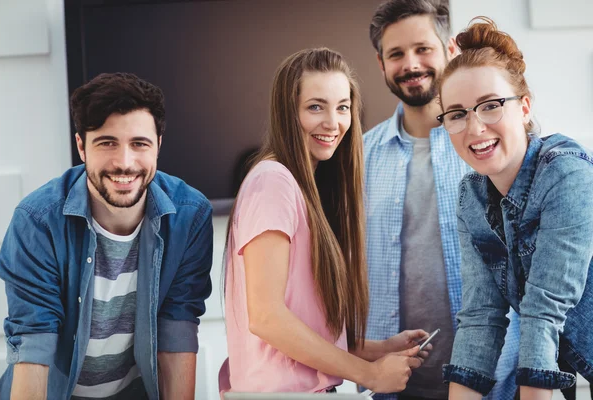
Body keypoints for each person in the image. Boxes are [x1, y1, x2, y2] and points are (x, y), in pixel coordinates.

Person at [218, 48, 432, 395]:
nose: (333, 122)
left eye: (342, 107)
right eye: (316, 106)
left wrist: (377, 349)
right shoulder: (274, 181)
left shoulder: (307, 189)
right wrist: (369, 374)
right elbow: (267, 318)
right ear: (289, 112)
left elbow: (305, 324)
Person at [0, 72, 213, 400]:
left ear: (158, 146)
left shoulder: (189, 216)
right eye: (107, 142)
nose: (124, 163)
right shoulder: (37, 221)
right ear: (82, 146)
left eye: (139, 144)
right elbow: (33, 344)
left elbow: (177, 330)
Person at [363, 1, 519, 399]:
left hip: (495, 378)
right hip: (390, 384)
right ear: (381, 64)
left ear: (450, 49)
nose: (411, 64)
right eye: (396, 54)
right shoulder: (358, 157)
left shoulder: (487, 145)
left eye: (422, 48)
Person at [437, 17, 593, 400]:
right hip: (564, 364)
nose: (474, 129)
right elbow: (480, 319)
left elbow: (543, 312)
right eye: (457, 114)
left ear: (524, 108)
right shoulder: (471, 196)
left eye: (490, 106)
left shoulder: (567, 174)